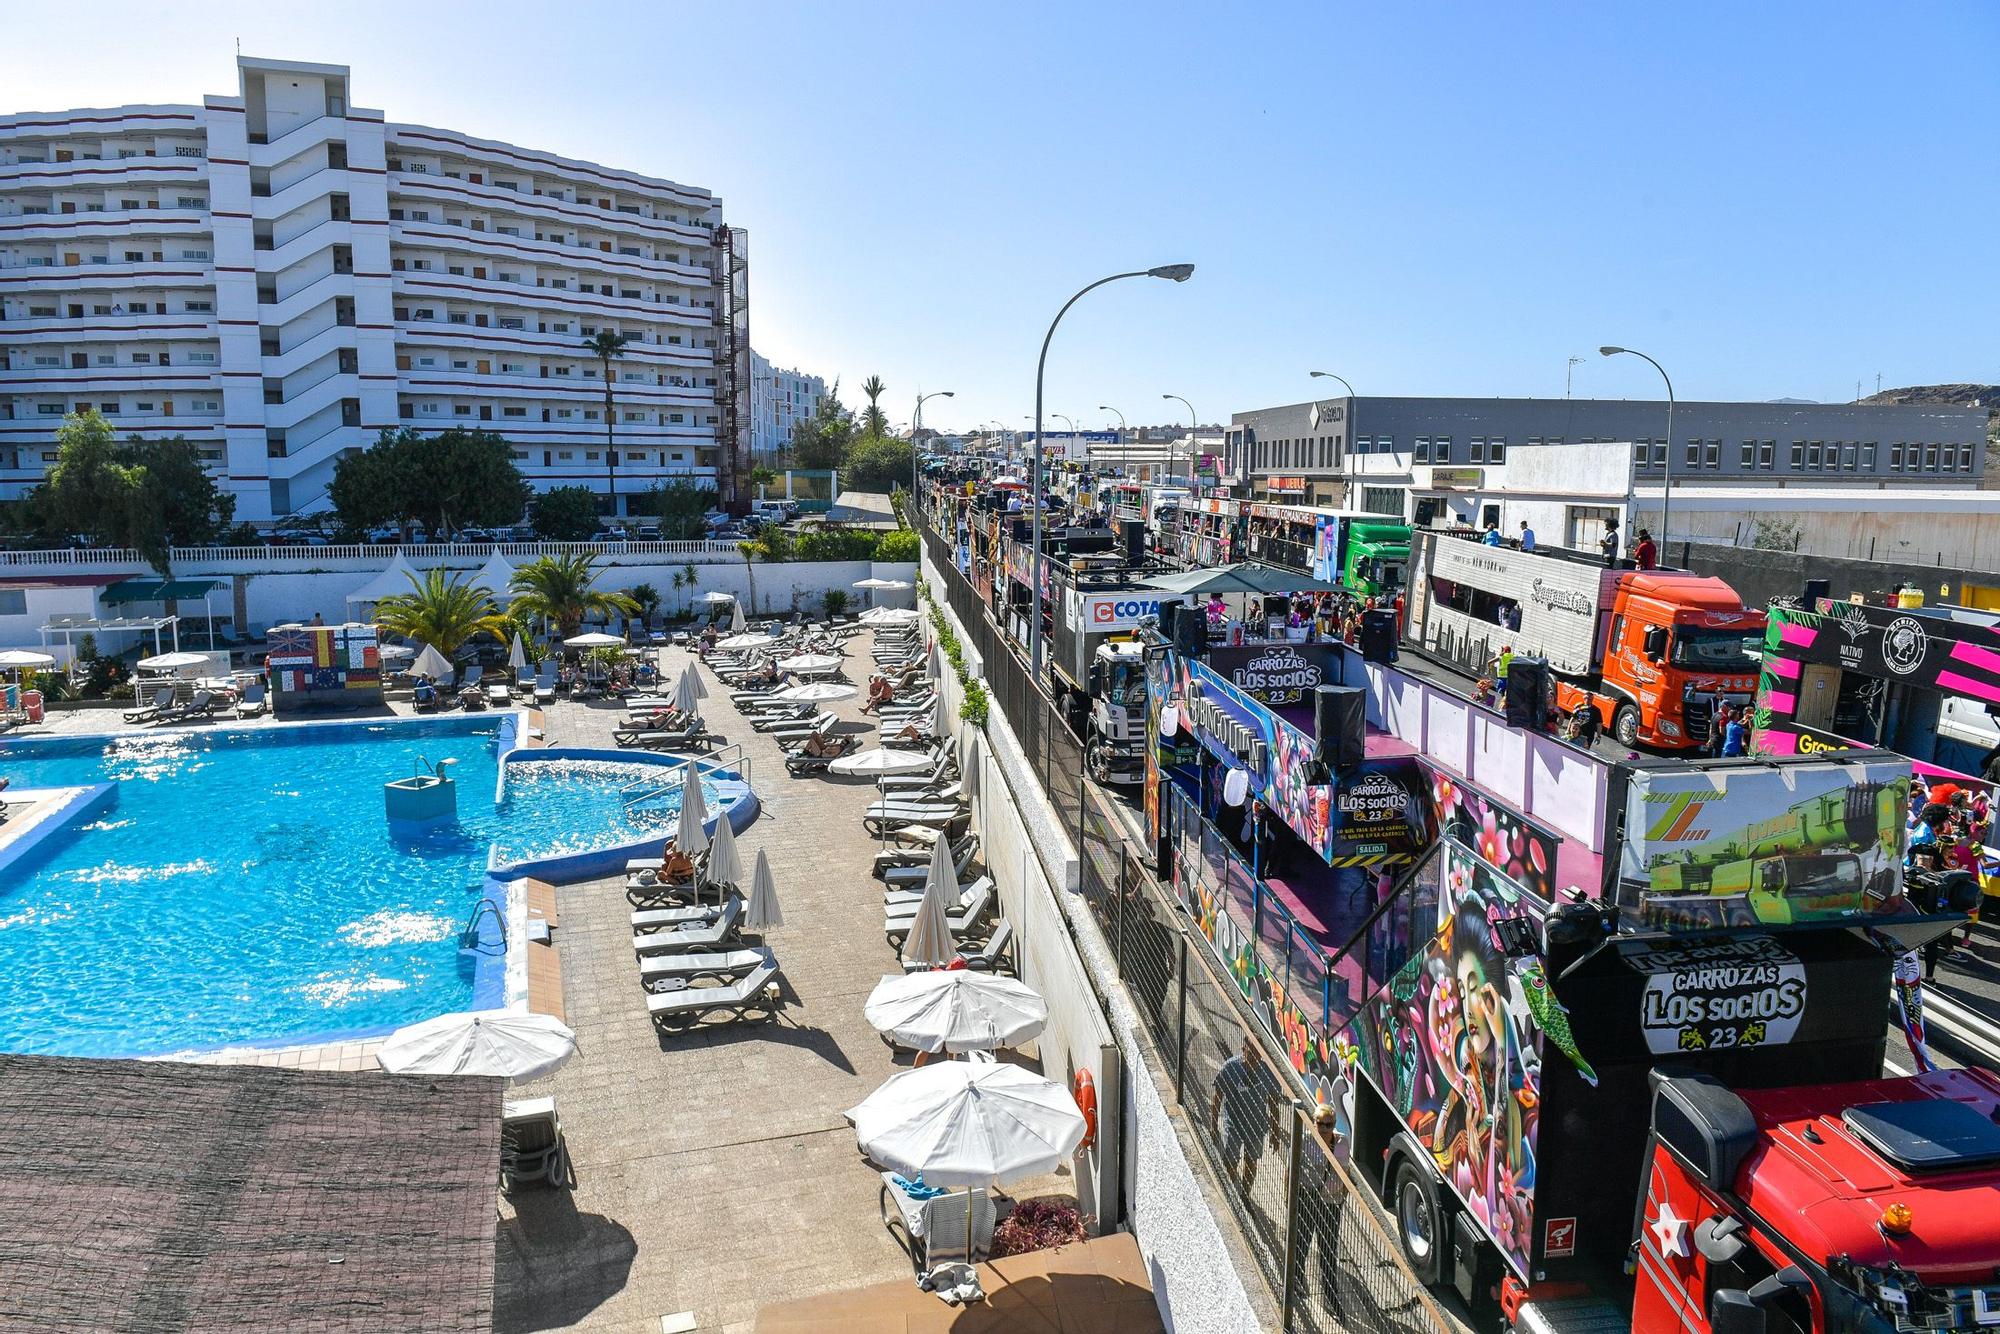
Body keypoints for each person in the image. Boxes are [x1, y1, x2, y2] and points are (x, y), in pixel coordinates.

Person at [1208, 1037, 1283, 1193]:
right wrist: (1213, 1126)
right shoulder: (1230, 1067)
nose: (1254, 1057)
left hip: (1256, 1126)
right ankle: (1231, 1192)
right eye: (1251, 1053)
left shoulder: (1268, 1072)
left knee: (1251, 1162)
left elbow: (1274, 1104)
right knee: (1230, 1161)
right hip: (1233, 1124)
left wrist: (1275, 1133)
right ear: (1243, 1050)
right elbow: (1218, 1096)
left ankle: (1245, 1195)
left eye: (1258, 1053)